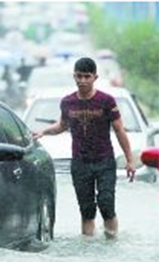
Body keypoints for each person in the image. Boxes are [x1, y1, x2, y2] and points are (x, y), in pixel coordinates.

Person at [32, 57, 136, 239]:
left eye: (87, 77)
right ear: (74, 76)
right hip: (80, 162)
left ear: (95, 77)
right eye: (79, 76)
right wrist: (44, 132)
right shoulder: (67, 102)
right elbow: (62, 125)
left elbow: (119, 130)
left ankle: (112, 241)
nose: (82, 81)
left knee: (106, 204)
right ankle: (88, 248)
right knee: (86, 210)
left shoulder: (107, 101)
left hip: (104, 161)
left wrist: (129, 160)